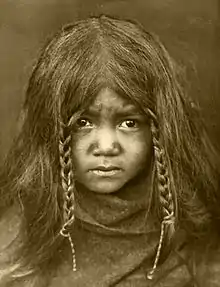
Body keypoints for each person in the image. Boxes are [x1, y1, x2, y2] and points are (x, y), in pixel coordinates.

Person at [0, 14, 220, 287]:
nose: (106, 146)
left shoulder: (199, 252)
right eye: (83, 122)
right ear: (48, 129)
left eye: (129, 123)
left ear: (161, 131)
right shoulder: (13, 250)